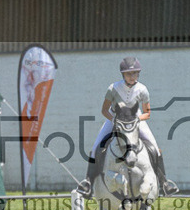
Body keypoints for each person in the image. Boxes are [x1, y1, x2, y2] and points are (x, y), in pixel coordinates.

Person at [76, 57, 178, 197]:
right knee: (96, 147)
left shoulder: (142, 89)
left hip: (136, 119)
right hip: (115, 118)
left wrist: (136, 120)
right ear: (123, 74)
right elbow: (104, 110)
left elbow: (147, 113)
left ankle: (164, 182)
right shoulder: (113, 88)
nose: (132, 77)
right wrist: (115, 121)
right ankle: (88, 182)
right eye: (129, 74)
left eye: (135, 73)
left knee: (155, 147)